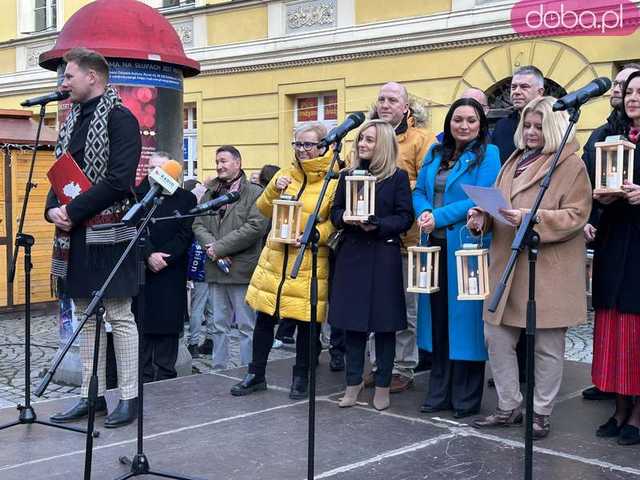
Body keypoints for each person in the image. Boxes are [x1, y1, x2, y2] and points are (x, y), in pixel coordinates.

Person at [470, 96, 591, 439]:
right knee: (496, 337)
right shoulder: (514, 160)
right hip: (507, 266)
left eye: (539, 126)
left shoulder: (569, 164)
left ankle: (541, 413)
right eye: (528, 125)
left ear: (552, 127)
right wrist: (481, 217)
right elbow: (498, 203)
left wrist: (531, 218)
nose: (532, 131)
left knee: (547, 346)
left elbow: (576, 215)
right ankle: (509, 405)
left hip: (547, 269)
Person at [46, 48, 141, 428]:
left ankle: (130, 397)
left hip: (110, 232)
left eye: (68, 76)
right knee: (86, 318)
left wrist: (73, 210)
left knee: (119, 316)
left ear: (92, 77)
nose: (63, 83)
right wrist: (53, 209)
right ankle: (91, 396)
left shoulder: (121, 118)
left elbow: (120, 180)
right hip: (75, 237)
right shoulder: (69, 121)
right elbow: (60, 173)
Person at [231, 122, 338, 399]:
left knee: (306, 321)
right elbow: (263, 209)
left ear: (324, 145)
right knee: (264, 316)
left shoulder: (333, 180)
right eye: (298, 144)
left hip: (310, 260)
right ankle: (256, 373)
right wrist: (272, 190)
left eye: (307, 144)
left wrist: (315, 234)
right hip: (276, 256)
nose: (301, 150)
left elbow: (335, 224)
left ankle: (301, 375)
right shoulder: (285, 174)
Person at [413, 98, 501, 418]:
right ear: (449, 122)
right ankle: (439, 391)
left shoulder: (488, 155)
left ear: (481, 124)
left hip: (466, 246)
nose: (464, 126)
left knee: (466, 322)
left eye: (471, 120)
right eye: (458, 119)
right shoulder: (435, 153)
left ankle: (466, 397)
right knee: (437, 320)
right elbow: (419, 191)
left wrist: (437, 216)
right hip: (433, 247)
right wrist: (423, 212)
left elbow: (480, 197)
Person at [328, 119, 413, 411]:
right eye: (361, 139)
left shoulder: (397, 177)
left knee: (385, 327)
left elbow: (405, 218)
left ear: (384, 144)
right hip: (352, 256)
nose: (362, 144)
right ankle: (352, 385)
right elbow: (334, 212)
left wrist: (376, 225)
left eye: (369, 140)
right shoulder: (347, 175)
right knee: (353, 326)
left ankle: (383, 385)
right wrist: (346, 219)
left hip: (383, 256)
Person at [365, 81, 437, 393]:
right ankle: (377, 364)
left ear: (406, 107)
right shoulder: (368, 134)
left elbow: (425, 184)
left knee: (407, 308)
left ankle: (403, 367)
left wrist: (389, 193)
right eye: (381, 98)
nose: (385, 103)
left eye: (392, 99)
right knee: (373, 305)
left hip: (409, 239)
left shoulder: (423, 139)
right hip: (372, 236)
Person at [580, 63, 640, 401]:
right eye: (629, 92)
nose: (632, 98)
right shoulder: (612, 137)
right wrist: (596, 201)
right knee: (613, 325)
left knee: (635, 327)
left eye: (639, 93)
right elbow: (592, 180)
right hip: (614, 239)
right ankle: (619, 404)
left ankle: (636, 414)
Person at [489, 65, 545, 387]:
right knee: (505, 316)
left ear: (540, 92)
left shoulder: (556, 128)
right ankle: (508, 381)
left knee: (532, 316)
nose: (516, 91)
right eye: (513, 86)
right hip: (506, 229)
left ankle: (529, 378)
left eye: (524, 86)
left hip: (534, 231)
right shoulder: (504, 127)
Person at [192, 146, 268, 370]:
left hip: (241, 268)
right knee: (217, 324)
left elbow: (256, 226)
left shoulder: (254, 192)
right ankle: (219, 367)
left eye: (224, 161)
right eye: (217, 161)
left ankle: (248, 369)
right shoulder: (211, 192)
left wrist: (220, 247)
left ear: (238, 163)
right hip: (216, 268)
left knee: (246, 325)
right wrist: (212, 247)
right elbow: (198, 222)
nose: (219, 166)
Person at [134, 152, 196, 382]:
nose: (156, 173)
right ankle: (143, 375)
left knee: (168, 324)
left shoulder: (186, 199)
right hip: (143, 270)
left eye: (161, 168)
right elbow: (134, 228)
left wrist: (165, 258)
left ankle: (166, 374)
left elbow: (186, 233)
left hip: (170, 270)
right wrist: (149, 254)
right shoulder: (137, 195)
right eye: (152, 168)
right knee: (142, 322)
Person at [184, 179, 215, 356]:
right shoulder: (214, 206)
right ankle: (210, 340)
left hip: (199, 265)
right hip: (214, 261)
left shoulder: (196, 210)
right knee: (211, 307)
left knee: (197, 306)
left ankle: (193, 343)